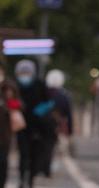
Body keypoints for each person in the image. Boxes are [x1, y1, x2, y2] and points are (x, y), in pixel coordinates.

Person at [14, 60, 55, 188]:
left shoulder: (40, 85)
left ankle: (31, 180)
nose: (25, 75)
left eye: (27, 72)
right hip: (21, 126)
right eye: (22, 72)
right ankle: (21, 180)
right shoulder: (15, 86)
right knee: (23, 154)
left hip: (38, 127)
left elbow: (49, 102)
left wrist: (39, 110)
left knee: (34, 155)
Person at [43, 69, 73, 175]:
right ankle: (49, 168)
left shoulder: (43, 92)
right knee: (55, 148)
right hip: (57, 126)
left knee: (46, 146)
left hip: (43, 125)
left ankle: (45, 167)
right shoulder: (63, 96)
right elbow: (68, 114)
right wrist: (69, 130)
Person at [0, 64, 22, 188]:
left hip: (4, 135)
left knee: (2, 161)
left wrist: (9, 100)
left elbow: (18, 105)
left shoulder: (8, 87)